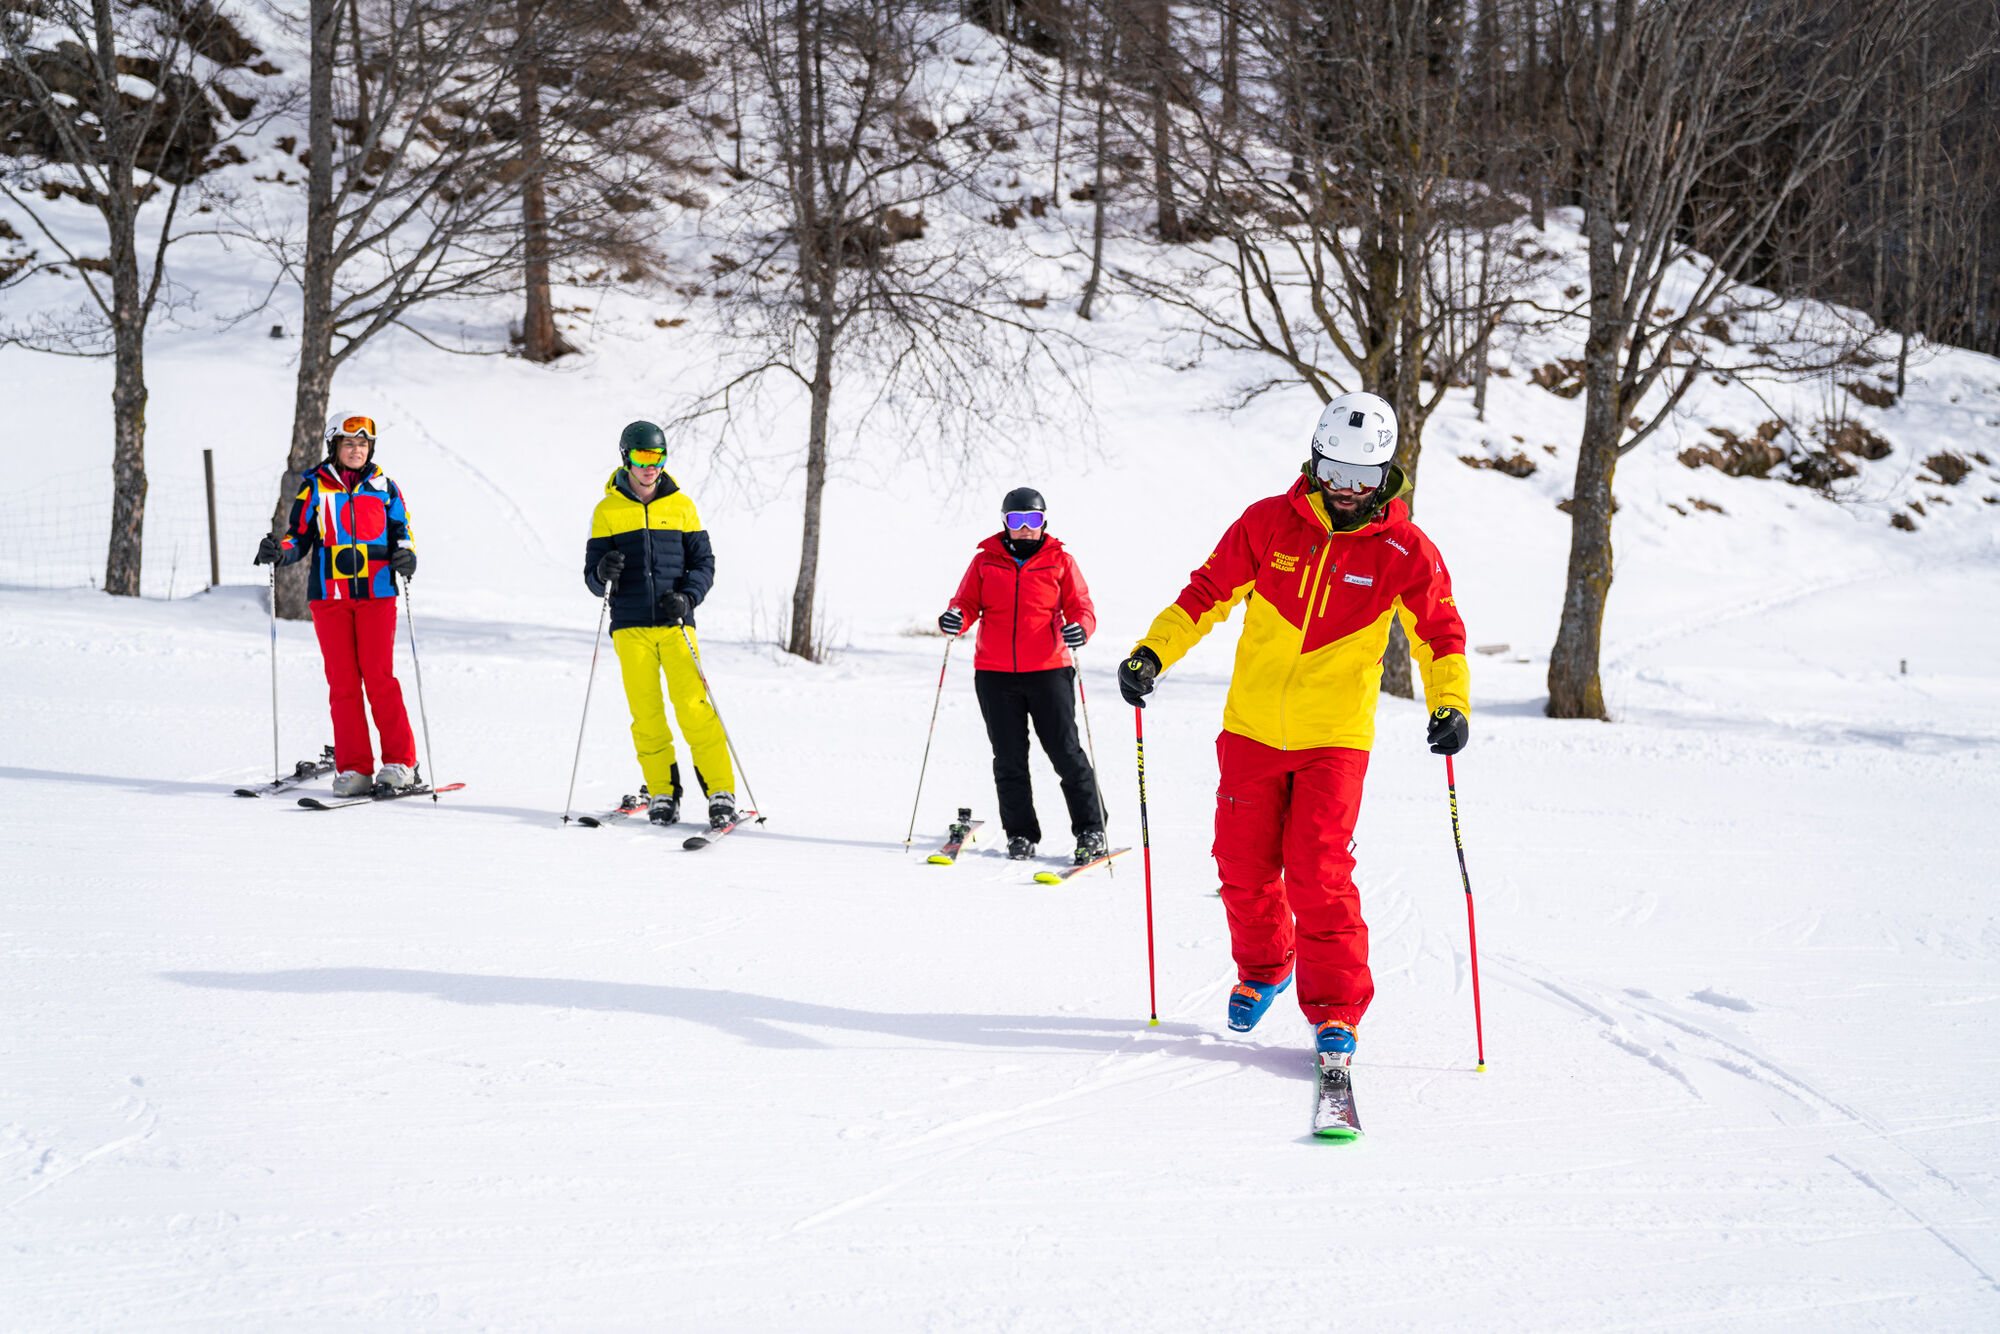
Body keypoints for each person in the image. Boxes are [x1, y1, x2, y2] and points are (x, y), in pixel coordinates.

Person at [1116, 391, 1469, 1078]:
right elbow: (1204, 595)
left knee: (1317, 871)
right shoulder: (1267, 523)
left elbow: (1440, 634)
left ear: (1386, 476)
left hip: (1334, 738)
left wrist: (1449, 703)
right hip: (1251, 729)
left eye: (1362, 477)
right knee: (1242, 867)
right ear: (1313, 460)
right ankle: (1265, 968)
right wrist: (1152, 652)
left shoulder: (1405, 549)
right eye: (1334, 471)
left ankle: (1336, 1009)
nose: (1345, 489)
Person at [254, 410, 420, 797]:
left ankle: (401, 763)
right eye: (349, 443)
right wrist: (281, 552)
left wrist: (406, 555)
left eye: (363, 444)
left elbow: (403, 532)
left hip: (377, 594)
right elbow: (299, 536)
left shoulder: (385, 487)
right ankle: (355, 767)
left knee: (379, 678)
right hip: (329, 597)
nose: (356, 450)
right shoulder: (313, 486)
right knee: (343, 683)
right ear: (334, 446)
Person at [938, 486, 1105, 863]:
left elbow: (1082, 607)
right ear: (1005, 523)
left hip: (1049, 671)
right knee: (1008, 758)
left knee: (1065, 753)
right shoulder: (985, 562)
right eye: (1017, 520)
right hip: (995, 674)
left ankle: (1092, 829)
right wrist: (955, 619)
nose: (1026, 527)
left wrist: (1080, 628)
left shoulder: (1061, 561)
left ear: (1044, 521)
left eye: (1033, 519)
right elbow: (966, 603)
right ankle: (1020, 834)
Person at [583, 421, 735, 828]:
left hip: (676, 624)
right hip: (630, 626)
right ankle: (663, 793)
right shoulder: (607, 511)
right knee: (646, 714)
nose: (651, 466)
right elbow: (593, 580)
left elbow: (704, 564)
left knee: (694, 707)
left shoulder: (682, 506)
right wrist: (602, 571)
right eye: (642, 456)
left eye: (658, 456)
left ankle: (720, 792)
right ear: (626, 458)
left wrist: (688, 597)